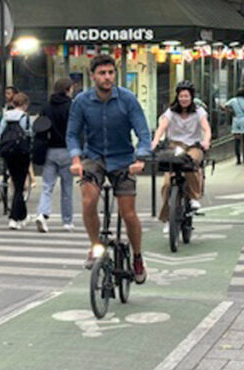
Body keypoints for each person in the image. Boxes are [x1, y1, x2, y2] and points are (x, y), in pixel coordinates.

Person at [67, 53, 152, 283]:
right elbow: (73, 134)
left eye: (110, 72)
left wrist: (141, 159)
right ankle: (94, 245)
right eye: (102, 73)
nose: (107, 77)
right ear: (92, 76)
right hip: (94, 157)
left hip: (123, 158)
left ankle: (137, 257)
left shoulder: (127, 99)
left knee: (128, 213)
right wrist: (75, 160)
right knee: (88, 200)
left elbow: (143, 133)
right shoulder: (81, 102)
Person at [152, 81, 211, 222]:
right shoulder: (171, 112)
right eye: (181, 96)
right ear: (177, 97)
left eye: (186, 96)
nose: (184, 99)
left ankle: (194, 197)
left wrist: (206, 141)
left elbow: (206, 128)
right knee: (167, 185)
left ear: (191, 97)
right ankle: (167, 220)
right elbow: (161, 127)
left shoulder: (199, 111)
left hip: (193, 146)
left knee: (191, 163)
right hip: (174, 146)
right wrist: (155, 142)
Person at [33, 77, 76, 233]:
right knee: (67, 188)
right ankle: (67, 221)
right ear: (67, 89)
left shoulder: (46, 107)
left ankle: (42, 214)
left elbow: (40, 127)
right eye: (71, 89)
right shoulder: (71, 106)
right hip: (67, 150)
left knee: (47, 187)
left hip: (49, 150)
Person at [0, 92, 33, 229]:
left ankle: (23, 216)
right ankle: (14, 218)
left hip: (8, 152)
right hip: (21, 152)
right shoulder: (25, 118)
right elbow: (30, 134)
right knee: (19, 187)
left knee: (15, 181)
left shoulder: (6, 117)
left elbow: (0, 134)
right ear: (25, 104)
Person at [224, 88, 244, 165]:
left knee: (237, 140)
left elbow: (225, 106)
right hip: (243, 120)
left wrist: (231, 112)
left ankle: (238, 159)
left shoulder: (233, 100)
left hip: (235, 120)